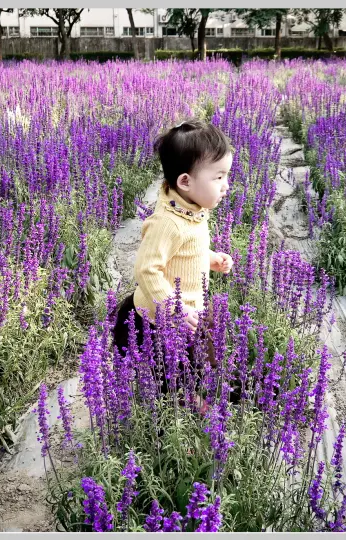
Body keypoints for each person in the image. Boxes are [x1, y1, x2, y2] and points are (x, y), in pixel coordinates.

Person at [111, 118, 235, 414]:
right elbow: (146, 269)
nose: (226, 185)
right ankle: (180, 411)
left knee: (200, 352)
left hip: (191, 307)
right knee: (170, 370)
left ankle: (203, 389)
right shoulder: (167, 223)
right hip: (161, 316)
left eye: (226, 176)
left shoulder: (193, 209)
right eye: (218, 177)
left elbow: (188, 250)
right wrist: (171, 306)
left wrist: (209, 257)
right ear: (185, 182)